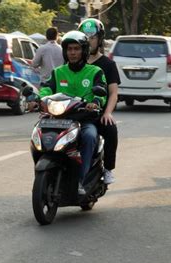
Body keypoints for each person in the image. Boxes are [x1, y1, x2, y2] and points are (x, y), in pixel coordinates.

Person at [32, 31, 107, 195]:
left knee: (89, 136)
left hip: (84, 120)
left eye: (76, 49)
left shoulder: (95, 72)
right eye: (69, 49)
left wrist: (95, 102)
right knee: (37, 134)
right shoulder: (58, 72)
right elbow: (47, 88)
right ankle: (44, 175)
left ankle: (82, 179)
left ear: (84, 51)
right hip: (58, 119)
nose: (72, 52)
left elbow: (102, 93)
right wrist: (38, 99)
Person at [78, 18, 120, 184]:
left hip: (97, 112)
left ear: (100, 39)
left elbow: (113, 93)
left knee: (111, 129)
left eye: (92, 37)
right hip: (72, 111)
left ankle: (108, 169)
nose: (88, 41)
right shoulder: (73, 61)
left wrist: (107, 112)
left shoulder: (108, 64)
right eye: (84, 38)